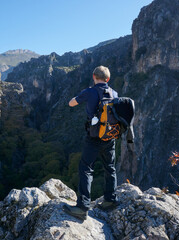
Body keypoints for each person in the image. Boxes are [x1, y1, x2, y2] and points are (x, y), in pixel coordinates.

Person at [63, 65, 119, 221]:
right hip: (109, 137)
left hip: (94, 137)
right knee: (110, 167)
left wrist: (83, 96)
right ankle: (110, 200)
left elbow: (71, 103)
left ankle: (82, 207)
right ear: (108, 79)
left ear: (94, 76)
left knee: (86, 168)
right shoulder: (114, 93)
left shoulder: (90, 91)